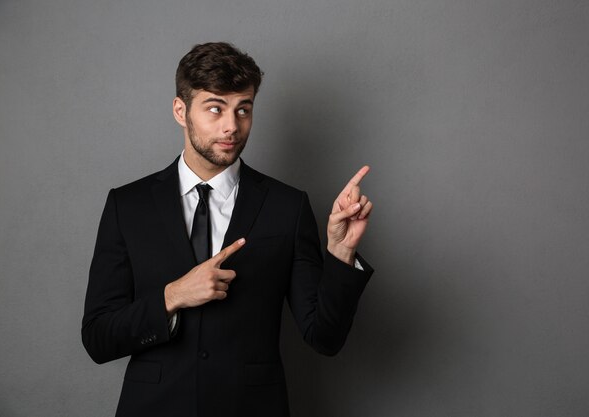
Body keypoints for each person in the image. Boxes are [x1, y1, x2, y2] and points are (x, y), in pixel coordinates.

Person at [82, 42, 373, 417]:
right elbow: (98, 338)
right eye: (215, 108)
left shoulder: (287, 206)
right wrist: (172, 296)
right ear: (180, 111)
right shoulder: (128, 206)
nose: (231, 126)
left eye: (243, 110)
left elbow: (324, 337)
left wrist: (340, 252)